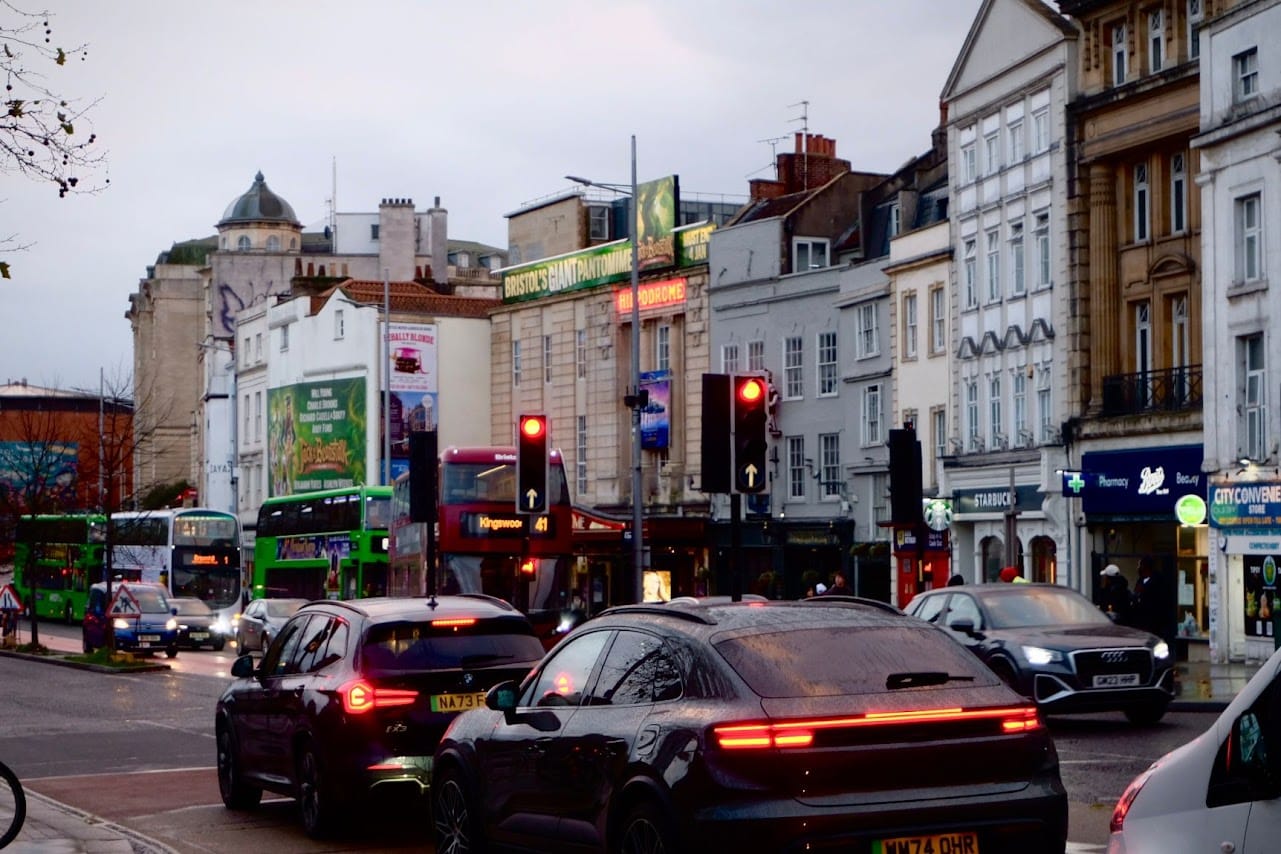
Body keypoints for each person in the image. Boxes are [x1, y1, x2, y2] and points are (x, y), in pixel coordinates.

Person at [1132, 556, 1163, 635]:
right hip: (1140, 621)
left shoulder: (1157, 581)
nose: (1138, 568)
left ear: (1145, 566)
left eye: (1140, 565)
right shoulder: (1140, 581)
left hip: (1152, 622)